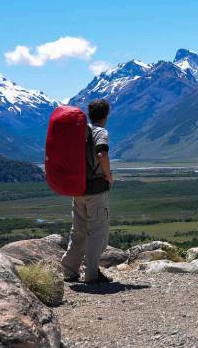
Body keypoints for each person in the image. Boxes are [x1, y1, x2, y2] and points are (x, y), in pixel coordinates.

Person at [61, 99, 114, 284]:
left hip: (78, 190)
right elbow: (102, 153)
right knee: (97, 233)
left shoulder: (80, 132)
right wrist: (109, 175)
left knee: (78, 232)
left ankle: (69, 271)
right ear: (106, 115)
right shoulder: (100, 132)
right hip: (96, 191)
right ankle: (92, 274)